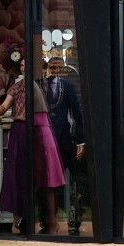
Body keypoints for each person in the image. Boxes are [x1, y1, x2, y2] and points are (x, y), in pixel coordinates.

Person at [0, 54, 65, 234]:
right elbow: (4, 106)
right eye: (21, 65)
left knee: (45, 177)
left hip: (40, 130)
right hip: (22, 130)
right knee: (19, 176)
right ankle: (21, 221)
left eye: (27, 65)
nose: (24, 68)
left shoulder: (43, 84)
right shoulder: (17, 86)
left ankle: (50, 222)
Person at [44, 56, 85, 235]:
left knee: (74, 179)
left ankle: (75, 218)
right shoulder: (42, 85)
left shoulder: (67, 86)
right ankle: (49, 219)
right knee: (50, 180)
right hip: (46, 138)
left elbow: (76, 112)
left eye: (59, 66)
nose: (55, 69)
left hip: (66, 139)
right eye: (53, 66)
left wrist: (81, 140)